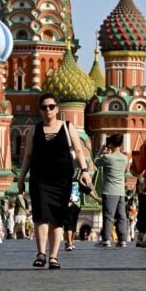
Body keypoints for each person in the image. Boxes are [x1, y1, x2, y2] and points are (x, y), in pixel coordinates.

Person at [17, 92, 93, 270]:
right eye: (44, 107)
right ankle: (41, 254)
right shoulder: (34, 130)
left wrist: (85, 171)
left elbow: (79, 150)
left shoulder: (67, 127)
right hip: (40, 179)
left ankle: (54, 256)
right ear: (40, 110)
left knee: (58, 218)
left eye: (51, 107)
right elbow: (28, 156)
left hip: (62, 180)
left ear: (57, 109)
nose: (48, 110)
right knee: (41, 216)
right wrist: (21, 179)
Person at [95, 133, 130, 247]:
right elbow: (125, 171)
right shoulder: (125, 158)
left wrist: (101, 150)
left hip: (109, 191)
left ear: (111, 144)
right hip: (121, 192)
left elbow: (95, 162)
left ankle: (106, 240)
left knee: (108, 216)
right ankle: (122, 240)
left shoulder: (108, 158)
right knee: (121, 216)